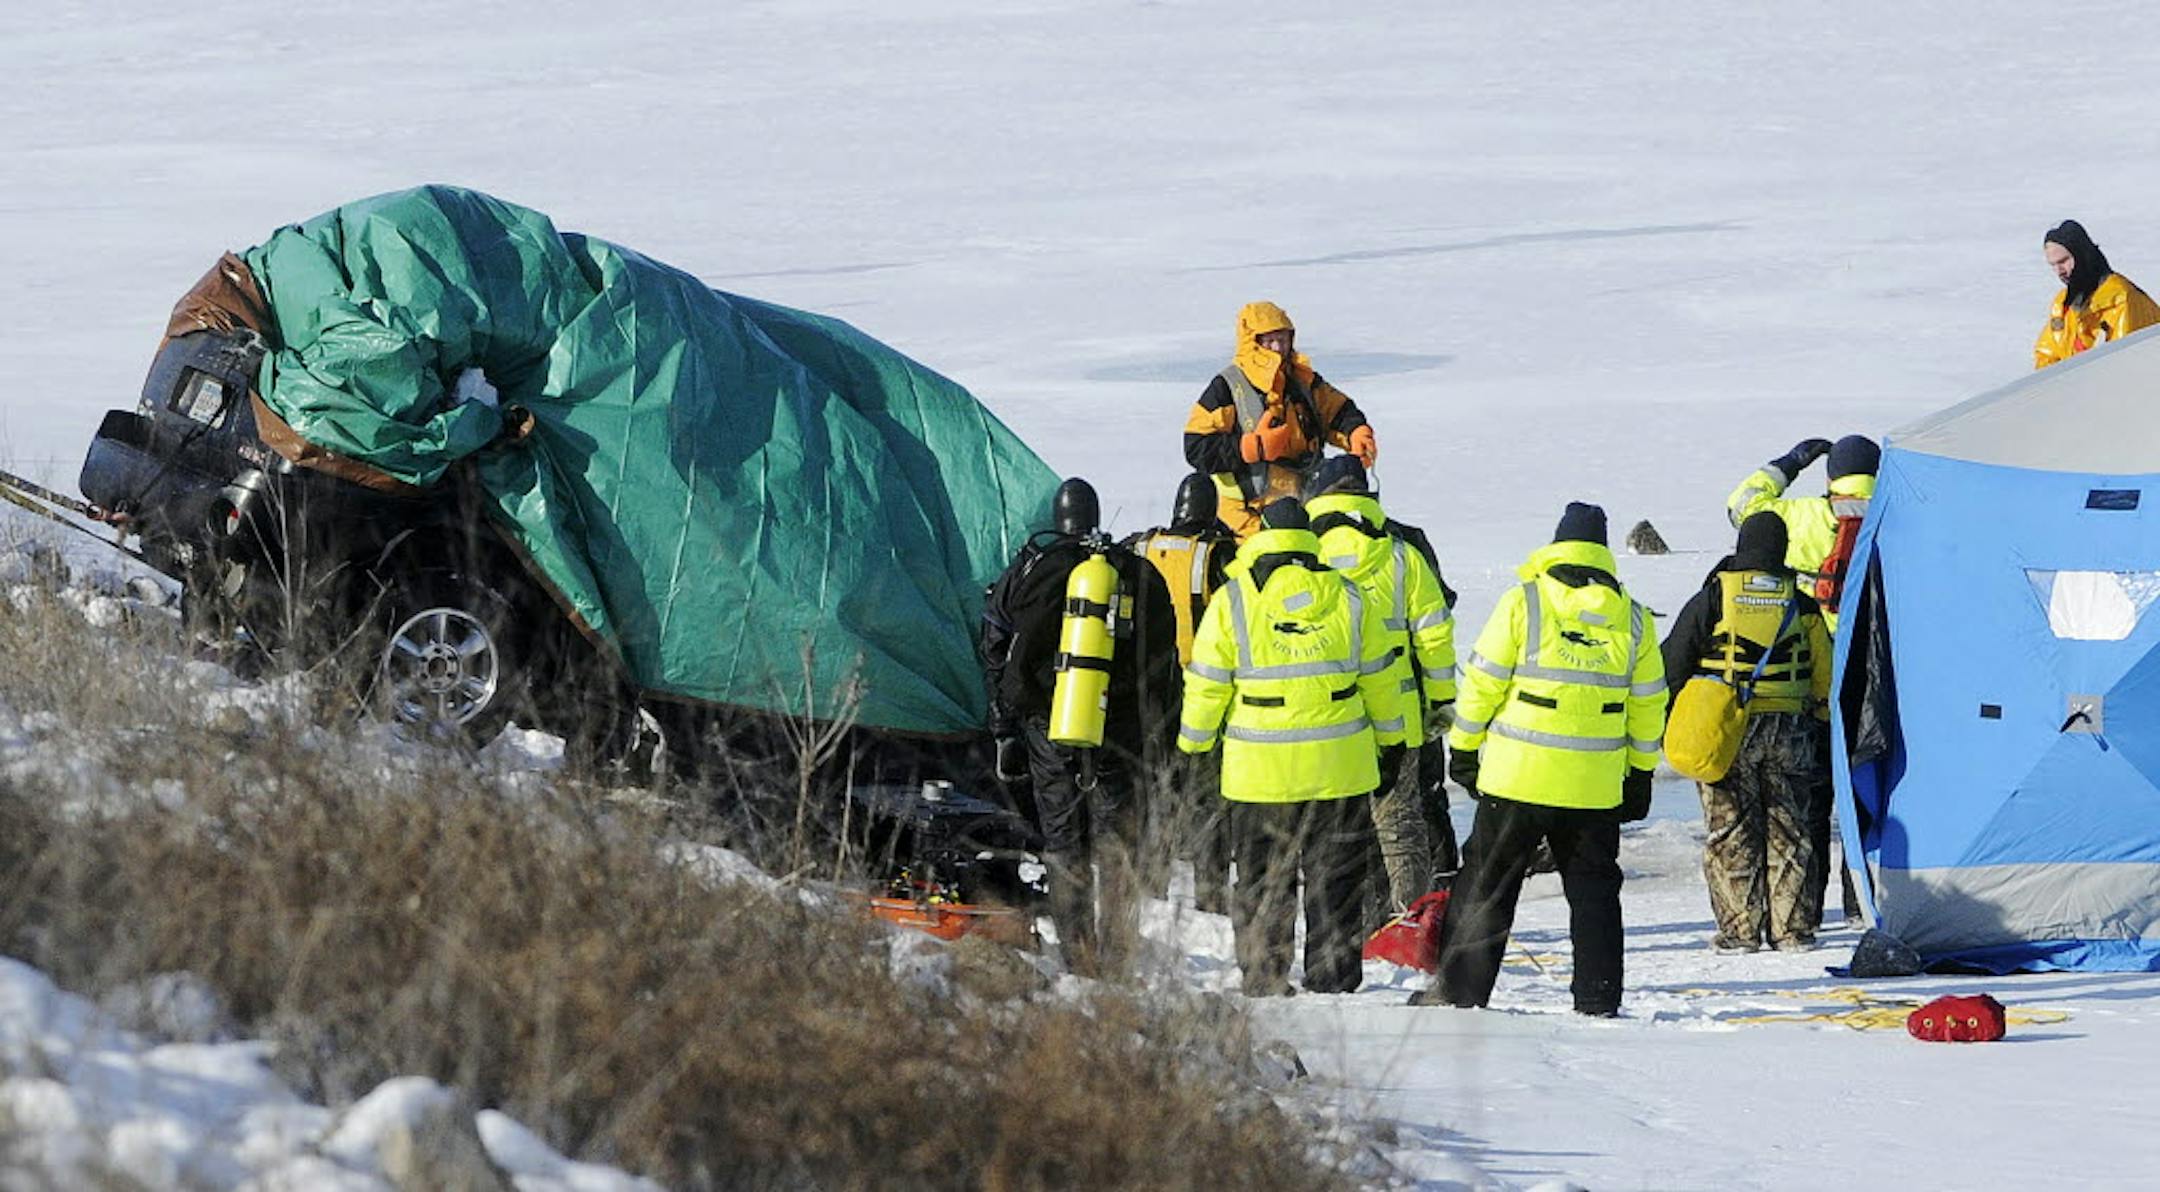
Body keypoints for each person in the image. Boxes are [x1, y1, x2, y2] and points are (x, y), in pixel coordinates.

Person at [1410, 503, 1665, 1016]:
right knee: (1594, 893)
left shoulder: (1524, 602)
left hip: (1516, 779)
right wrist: (1638, 773)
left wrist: (1464, 746)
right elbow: (1648, 704)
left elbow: (1483, 682)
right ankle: (1598, 999)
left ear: (1557, 544)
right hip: (1592, 786)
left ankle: (1462, 994)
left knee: (1487, 886)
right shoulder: (1634, 619)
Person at [1176, 498, 1402, 995]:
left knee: (1261, 880)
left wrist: (1194, 746)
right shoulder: (1350, 597)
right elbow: (1381, 680)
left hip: (1260, 770)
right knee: (1336, 878)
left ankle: (1263, 975)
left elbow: (1208, 683)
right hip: (1339, 766)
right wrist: (1393, 743)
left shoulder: (1233, 600)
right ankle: (1334, 977)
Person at [981, 477, 1179, 976]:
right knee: (1118, 845)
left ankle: (1079, 957)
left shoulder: (1033, 567)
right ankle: (1118, 955)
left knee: (1063, 839)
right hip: (1123, 729)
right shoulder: (1134, 570)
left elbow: (996, 646)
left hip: (1050, 724)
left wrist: (1007, 722)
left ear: (1058, 518)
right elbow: (1164, 661)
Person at [1660, 512, 1834, 953]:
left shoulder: (1715, 597)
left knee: (1731, 831)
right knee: (1790, 829)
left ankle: (1740, 932)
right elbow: (1825, 676)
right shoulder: (1802, 602)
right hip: (1791, 729)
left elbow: (1672, 662)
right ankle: (1792, 931)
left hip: (1727, 728)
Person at [1303, 456, 1459, 917]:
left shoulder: (1305, 552)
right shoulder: (1402, 550)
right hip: (1399, 708)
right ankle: (1409, 920)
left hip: (1323, 711)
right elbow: (1435, 632)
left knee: (1336, 822)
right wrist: (1440, 702)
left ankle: (1346, 924)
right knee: (1400, 820)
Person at [1122, 473, 1240, 912]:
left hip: (1147, 687)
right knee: (1207, 795)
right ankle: (1210, 893)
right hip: (1200, 689)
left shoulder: (1144, 545)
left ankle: (1150, 881)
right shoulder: (1216, 553)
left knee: (1155, 788)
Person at [1182, 302, 1377, 540]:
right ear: (1251, 342)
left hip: (1305, 512)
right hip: (1246, 521)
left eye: (1283, 340)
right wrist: (1251, 448)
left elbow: (1337, 410)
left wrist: (1356, 432)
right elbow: (1196, 446)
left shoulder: (1302, 380)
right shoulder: (1227, 387)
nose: (1277, 348)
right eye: (1269, 341)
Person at [1725, 434, 1877, 635]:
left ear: (1830, 479)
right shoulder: (1897, 517)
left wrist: (1790, 464)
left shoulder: (1802, 516)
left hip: (1811, 639)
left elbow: (1739, 507)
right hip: (1877, 642)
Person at [2035, 220, 2160, 369]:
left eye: (2063, 261)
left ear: (2081, 255)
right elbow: (2046, 354)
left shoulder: (2121, 299)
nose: (2059, 271)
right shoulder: (2062, 305)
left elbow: (2123, 367)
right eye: (2053, 265)